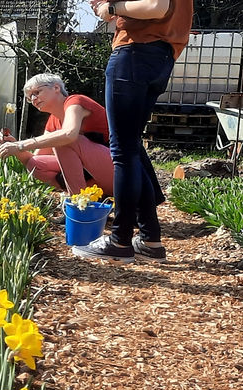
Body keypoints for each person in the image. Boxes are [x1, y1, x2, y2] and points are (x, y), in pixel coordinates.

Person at [73, 0, 193, 263]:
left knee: (124, 151)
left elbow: (156, 6)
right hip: (161, 56)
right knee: (132, 148)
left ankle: (120, 241)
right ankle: (150, 240)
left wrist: (112, 8)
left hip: (134, 54)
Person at [0, 73, 114, 197]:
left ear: (56, 88)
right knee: (35, 164)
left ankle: (79, 206)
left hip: (119, 172)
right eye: (29, 97)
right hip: (95, 183)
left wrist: (21, 145)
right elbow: (33, 160)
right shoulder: (53, 121)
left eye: (37, 92)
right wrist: (14, 146)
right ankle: (84, 201)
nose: (33, 98)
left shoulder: (76, 102)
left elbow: (69, 135)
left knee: (64, 141)